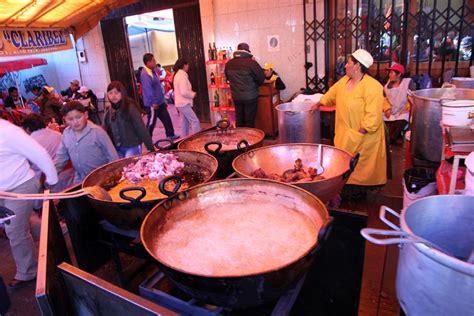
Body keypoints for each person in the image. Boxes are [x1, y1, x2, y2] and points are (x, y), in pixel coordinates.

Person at [311, 49, 387, 195]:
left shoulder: (373, 87)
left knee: (361, 170)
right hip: (345, 135)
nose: (345, 66)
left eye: (348, 62)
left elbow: (373, 117)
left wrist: (359, 133)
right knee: (345, 164)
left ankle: (358, 195)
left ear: (357, 66)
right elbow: (330, 95)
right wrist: (317, 104)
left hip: (364, 138)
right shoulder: (344, 81)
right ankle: (345, 190)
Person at [0, 118, 58, 288]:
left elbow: (38, 153)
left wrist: (52, 179)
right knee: (20, 225)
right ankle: (52, 234)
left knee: (14, 229)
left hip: (20, 185)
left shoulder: (8, 131)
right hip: (2, 190)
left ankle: (28, 271)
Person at [55, 101, 119, 184]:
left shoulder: (97, 132)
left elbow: (112, 156)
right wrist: (52, 173)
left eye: (78, 117)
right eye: (70, 119)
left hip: (101, 178)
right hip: (80, 179)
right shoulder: (67, 134)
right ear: (64, 120)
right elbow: (61, 158)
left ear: (86, 115)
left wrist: (113, 176)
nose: (75, 122)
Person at [21, 114, 74, 193]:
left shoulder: (29, 143)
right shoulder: (58, 134)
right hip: (71, 175)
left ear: (28, 129)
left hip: (48, 183)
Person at [103, 81, 155, 158]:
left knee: (129, 164)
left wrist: (151, 148)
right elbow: (105, 131)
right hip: (117, 148)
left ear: (122, 93)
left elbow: (141, 129)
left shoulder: (130, 107)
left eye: (116, 93)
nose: (113, 96)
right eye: (110, 93)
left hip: (132, 146)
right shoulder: (109, 112)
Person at [225, 42, 265, 127]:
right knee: (249, 120)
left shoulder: (229, 63)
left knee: (239, 119)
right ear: (247, 51)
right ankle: (249, 139)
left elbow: (227, 79)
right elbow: (261, 79)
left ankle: (239, 139)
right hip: (250, 97)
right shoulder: (252, 63)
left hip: (236, 96)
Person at [140, 53, 178, 139]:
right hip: (153, 104)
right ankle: (147, 139)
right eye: (153, 60)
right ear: (148, 62)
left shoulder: (152, 71)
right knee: (151, 122)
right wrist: (153, 102)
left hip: (160, 102)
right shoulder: (145, 74)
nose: (155, 62)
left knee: (166, 118)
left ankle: (170, 135)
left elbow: (155, 84)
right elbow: (148, 89)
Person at [382, 63, 414, 144]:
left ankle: (391, 139)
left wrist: (406, 109)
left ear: (399, 74)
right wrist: (387, 109)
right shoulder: (387, 86)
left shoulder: (408, 83)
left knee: (402, 120)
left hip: (403, 111)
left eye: (391, 73)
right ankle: (391, 138)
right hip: (391, 112)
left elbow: (411, 98)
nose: (389, 75)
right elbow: (384, 99)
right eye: (389, 73)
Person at [172, 58, 201, 137]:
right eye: (187, 64)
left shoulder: (178, 75)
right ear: (184, 65)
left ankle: (183, 139)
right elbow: (184, 92)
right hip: (183, 103)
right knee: (195, 121)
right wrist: (193, 94)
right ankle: (198, 139)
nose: (188, 66)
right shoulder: (182, 76)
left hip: (180, 103)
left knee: (185, 124)